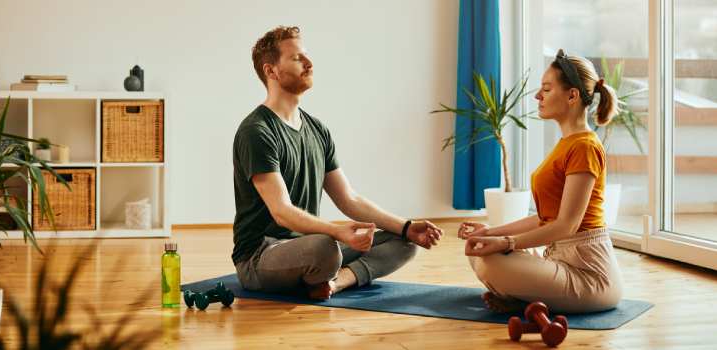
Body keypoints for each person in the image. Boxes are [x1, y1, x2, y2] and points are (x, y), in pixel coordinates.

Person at [232, 26, 443, 300]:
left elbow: (349, 199)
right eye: (297, 58)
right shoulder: (257, 131)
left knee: (403, 242)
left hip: (308, 246)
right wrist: (337, 232)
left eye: (307, 56)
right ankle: (323, 271)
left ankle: (336, 282)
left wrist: (406, 226)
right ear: (271, 71)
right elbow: (281, 211)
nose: (309, 64)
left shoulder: (317, 129)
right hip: (260, 256)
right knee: (326, 248)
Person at [458, 49, 624, 313]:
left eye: (546, 89)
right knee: (478, 248)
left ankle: (520, 296)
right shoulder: (567, 144)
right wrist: (489, 233)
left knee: (490, 262)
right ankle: (522, 297)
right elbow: (545, 218)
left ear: (572, 95)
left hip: (590, 276)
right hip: (559, 260)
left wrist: (506, 243)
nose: (537, 96)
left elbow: (567, 225)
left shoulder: (585, 147)